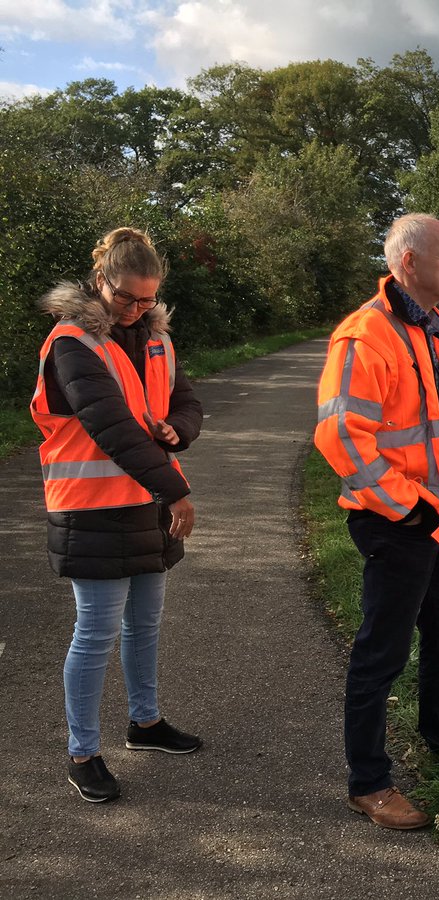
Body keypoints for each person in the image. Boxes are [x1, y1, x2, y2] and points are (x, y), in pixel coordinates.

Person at [314, 213, 439, 830]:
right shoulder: (365, 336)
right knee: (382, 653)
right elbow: (340, 434)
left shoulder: (428, 328)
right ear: (409, 264)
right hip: (401, 522)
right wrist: (410, 505)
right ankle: (368, 783)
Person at [31, 227, 204, 804]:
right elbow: (109, 427)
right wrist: (175, 489)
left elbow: (186, 400)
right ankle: (82, 753)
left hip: (143, 504)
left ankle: (145, 723)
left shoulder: (156, 338)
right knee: (95, 633)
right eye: (127, 297)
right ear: (101, 281)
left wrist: (179, 429)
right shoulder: (72, 343)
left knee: (145, 624)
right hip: (92, 510)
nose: (136, 309)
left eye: (147, 298)